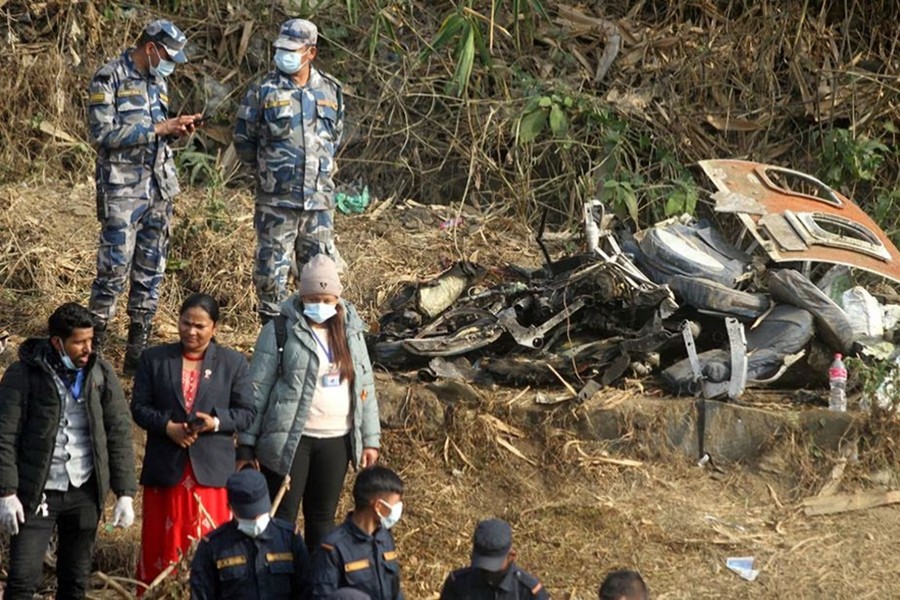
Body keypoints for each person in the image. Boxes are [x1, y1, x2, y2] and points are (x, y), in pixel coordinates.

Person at [237, 254, 380, 551]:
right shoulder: (279, 330)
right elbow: (258, 388)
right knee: (283, 517)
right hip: (290, 440)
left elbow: (365, 387)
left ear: (337, 298)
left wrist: (370, 439)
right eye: (313, 298)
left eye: (327, 299)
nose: (320, 306)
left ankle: (317, 583)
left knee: (322, 519)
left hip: (337, 441)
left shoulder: (351, 332)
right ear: (301, 295)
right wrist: (247, 443)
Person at [87, 19, 202, 371]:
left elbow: (155, 135)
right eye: (168, 55)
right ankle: (94, 353)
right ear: (151, 48)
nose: (171, 65)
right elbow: (102, 134)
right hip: (123, 190)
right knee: (114, 269)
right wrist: (157, 128)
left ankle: (137, 354)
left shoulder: (159, 82)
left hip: (158, 188)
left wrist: (174, 131)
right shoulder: (109, 77)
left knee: (151, 270)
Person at [0, 303, 137, 599]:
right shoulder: (23, 375)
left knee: (74, 582)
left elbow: (119, 431)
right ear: (57, 342)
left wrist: (125, 492)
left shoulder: (100, 373)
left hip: (84, 491)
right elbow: (5, 434)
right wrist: (7, 491)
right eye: (79, 342)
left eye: (90, 341)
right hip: (37, 491)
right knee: (23, 580)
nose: (87, 349)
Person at [132, 293, 256, 587]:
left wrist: (215, 422)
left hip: (210, 472)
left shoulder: (233, 362)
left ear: (214, 327)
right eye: (186, 323)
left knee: (207, 543)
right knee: (163, 545)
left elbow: (247, 413)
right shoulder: (155, 359)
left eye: (200, 326)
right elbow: (138, 407)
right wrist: (167, 427)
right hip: (166, 469)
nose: (191, 331)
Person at [233, 18, 345, 324]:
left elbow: (335, 137)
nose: (284, 55)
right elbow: (244, 140)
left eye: (292, 50)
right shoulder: (263, 91)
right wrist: (270, 173)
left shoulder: (331, 90)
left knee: (319, 277)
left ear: (311, 52)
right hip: (277, 203)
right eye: (280, 49)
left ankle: (315, 344)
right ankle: (275, 342)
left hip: (319, 205)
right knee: (271, 276)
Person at [190, 469, 310, 599]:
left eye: (260, 511)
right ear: (230, 508)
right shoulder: (213, 547)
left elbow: (307, 590)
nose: (256, 519)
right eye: (249, 515)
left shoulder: (289, 538)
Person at [310, 466, 404, 600]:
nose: (397, 510)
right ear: (378, 506)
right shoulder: (333, 548)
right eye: (395, 504)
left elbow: (395, 590)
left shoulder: (384, 538)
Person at [439, 519, 548, 600]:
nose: (488, 572)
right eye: (483, 565)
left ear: (511, 556)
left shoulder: (528, 593)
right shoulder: (458, 583)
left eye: (494, 566)